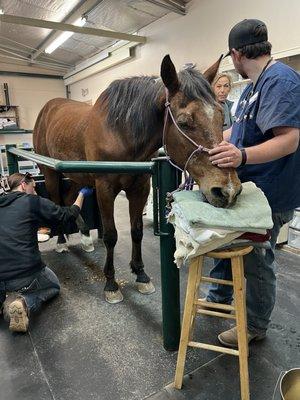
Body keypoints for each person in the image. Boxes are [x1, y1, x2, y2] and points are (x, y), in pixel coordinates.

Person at [205, 19, 300, 347]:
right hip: (253, 189)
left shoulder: (278, 80)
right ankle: (219, 295)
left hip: (271, 194)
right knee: (229, 243)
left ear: (235, 54)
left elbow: (289, 140)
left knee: (257, 260)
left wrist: (240, 158)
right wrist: (210, 143)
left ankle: (254, 326)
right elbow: (239, 132)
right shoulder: (253, 87)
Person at [0, 172, 93, 333]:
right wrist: (81, 194)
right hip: (24, 275)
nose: (35, 192)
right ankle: (24, 303)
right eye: (33, 188)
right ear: (24, 185)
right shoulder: (31, 201)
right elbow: (68, 215)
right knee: (53, 285)